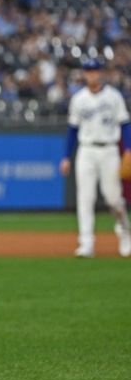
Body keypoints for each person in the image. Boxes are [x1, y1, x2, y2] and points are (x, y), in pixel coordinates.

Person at [59, 58, 131, 258]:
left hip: (109, 150)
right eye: (88, 71)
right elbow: (72, 130)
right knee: (85, 198)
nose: (92, 74)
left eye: (95, 70)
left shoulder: (114, 97)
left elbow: (124, 124)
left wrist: (128, 150)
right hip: (86, 150)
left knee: (114, 199)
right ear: (85, 74)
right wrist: (66, 157)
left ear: (101, 73)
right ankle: (86, 243)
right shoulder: (79, 99)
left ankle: (124, 231)